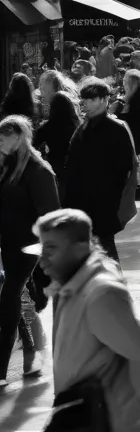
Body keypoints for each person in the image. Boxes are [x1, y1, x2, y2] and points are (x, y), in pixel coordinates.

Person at [30, 208, 140, 432]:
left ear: (80, 247)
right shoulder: (72, 287)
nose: (42, 260)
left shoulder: (99, 294)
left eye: (51, 248)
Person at [0, 116, 59, 385]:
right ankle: (33, 355)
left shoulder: (38, 170)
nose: (0, 140)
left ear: (19, 137)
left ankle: (1, 368)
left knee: (10, 296)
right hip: (10, 243)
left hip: (28, 246)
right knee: (16, 298)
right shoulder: (9, 164)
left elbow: (50, 216)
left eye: (4, 136)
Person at [61, 77, 137, 264]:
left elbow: (125, 168)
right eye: (84, 99)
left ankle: (115, 289)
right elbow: (71, 167)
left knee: (104, 249)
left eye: (91, 99)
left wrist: (111, 198)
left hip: (105, 204)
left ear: (104, 99)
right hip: (82, 202)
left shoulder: (116, 128)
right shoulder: (82, 129)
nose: (85, 103)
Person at [33, 91, 80, 185]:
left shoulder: (48, 127)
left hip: (54, 165)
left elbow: (33, 143)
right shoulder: (77, 125)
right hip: (74, 166)